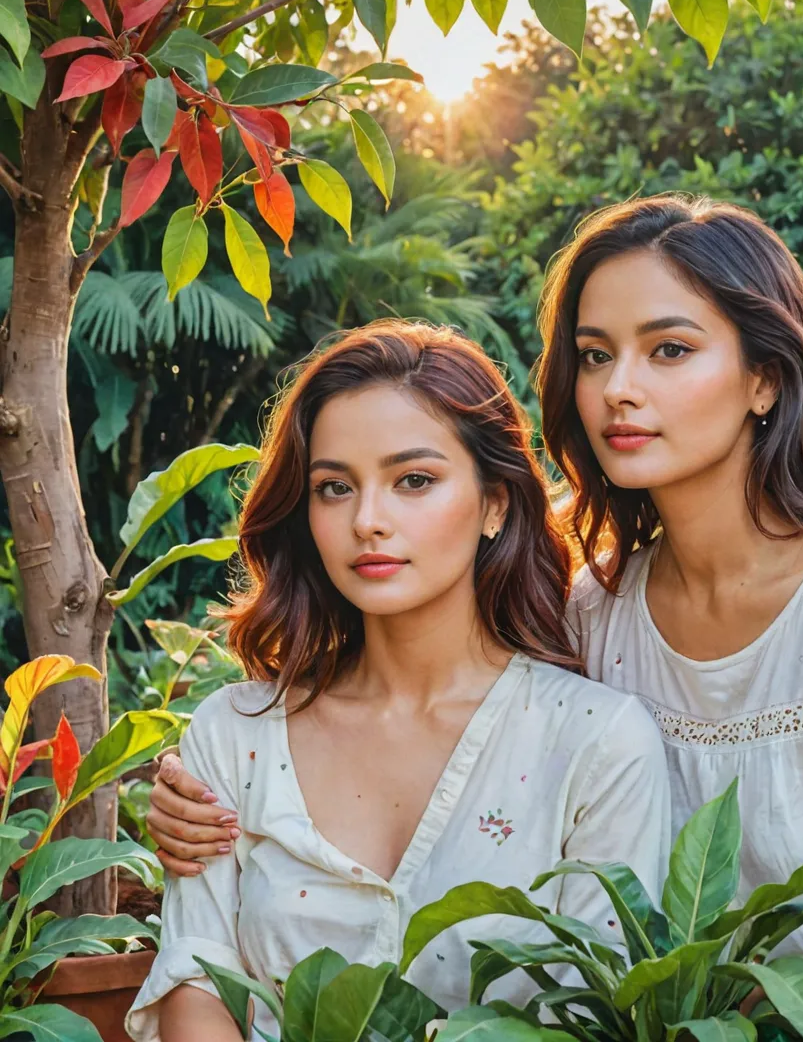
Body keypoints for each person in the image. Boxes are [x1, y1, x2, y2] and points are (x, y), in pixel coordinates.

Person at [145, 196, 803, 1000]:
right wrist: (205, 807)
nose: (618, 388)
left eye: (668, 350)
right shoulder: (594, 607)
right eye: (595, 355)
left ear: (766, 378)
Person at [126, 322, 670, 1042]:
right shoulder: (236, 736)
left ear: (496, 503)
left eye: (414, 480)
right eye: (333, 488)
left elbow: (599, 1010)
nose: (368, 521)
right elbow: (195, 980)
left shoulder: (596, 743)